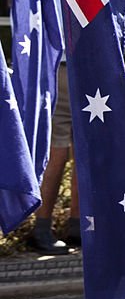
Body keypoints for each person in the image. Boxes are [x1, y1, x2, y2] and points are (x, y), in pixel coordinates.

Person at [27, 60, 80, 254]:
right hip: (58, 65)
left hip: (89, 62)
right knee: (56, 153)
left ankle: (78, 226)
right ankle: (41, 227)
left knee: (85, 152)